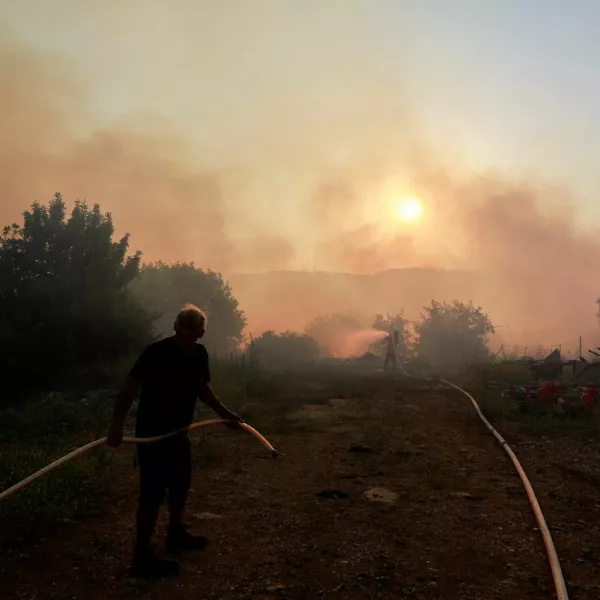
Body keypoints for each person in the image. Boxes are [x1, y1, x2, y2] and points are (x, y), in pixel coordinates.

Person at [106, 304, 244, 578]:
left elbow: (202, 389)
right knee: (152, 494)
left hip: (179, 433)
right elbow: (130, 388)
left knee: (181, 484)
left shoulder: (199, 355)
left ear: (200, 333)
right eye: (182, 325)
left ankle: (175, 534)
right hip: (152, 435)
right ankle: (141, 556)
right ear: (175, 326)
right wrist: (116, 426)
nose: (185, 331)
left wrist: (225, 413)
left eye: (192, 328)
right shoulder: (155, 353)